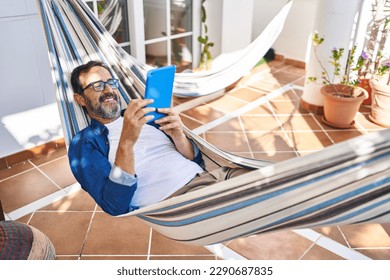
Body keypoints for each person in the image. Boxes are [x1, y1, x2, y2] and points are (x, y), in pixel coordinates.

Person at [68, 61, 249, 216]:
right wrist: (127, 141)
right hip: (181, 199)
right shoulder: (83, 144)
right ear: (80, 99)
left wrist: (178, 137)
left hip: (213, 176)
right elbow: (114, 205)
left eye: (111, 82)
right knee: (256, 202)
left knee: (265, 179)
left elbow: (196, 160)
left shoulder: (143, 114)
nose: (108, 90)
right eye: (98, 85)